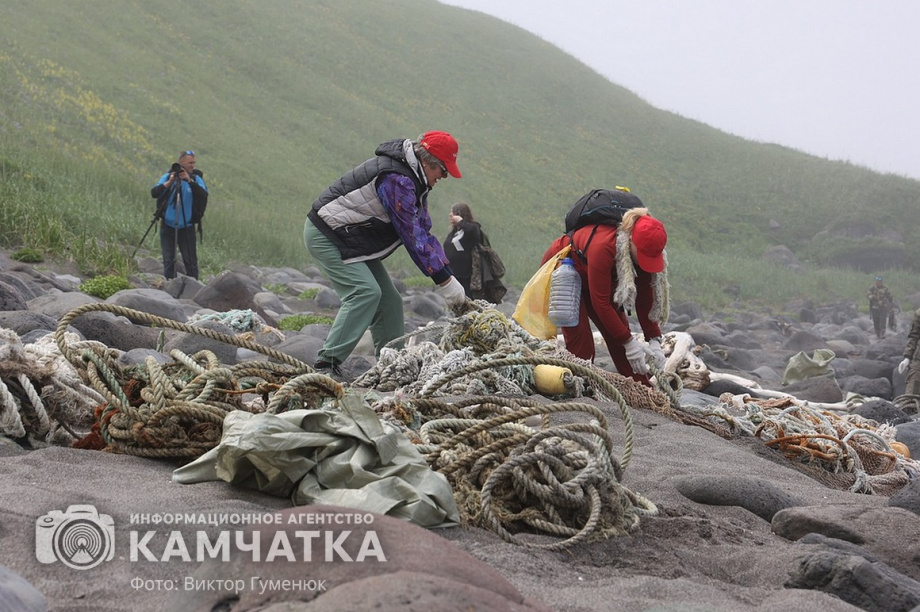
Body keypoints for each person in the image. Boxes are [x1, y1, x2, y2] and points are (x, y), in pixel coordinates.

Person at [305, 131, 467, 375]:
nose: (444, 177)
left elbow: (423, 230)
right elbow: (411, 234)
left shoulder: (416, 181)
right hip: (328, 234)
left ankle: (393, 365)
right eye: (443, 171)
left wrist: (449, 276)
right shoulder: (397, 180)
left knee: (389, 300)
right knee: (365, 292)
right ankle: (326, 363)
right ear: (428, 162)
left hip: (352, 239)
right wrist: (443, 280)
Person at [540, 206, 669, 386]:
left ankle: (642, 388)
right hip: (566, 270)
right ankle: (580, 386)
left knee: (620, 335)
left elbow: (645, 296)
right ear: (631, 240)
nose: (644, 261)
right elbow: (601, 303)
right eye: (642, 256)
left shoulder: (644, 248)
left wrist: (654, 338)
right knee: (582, 343)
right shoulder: (603, 246)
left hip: (598, 278)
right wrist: (630, 343)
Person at [150, 150, 208, 280]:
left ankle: (193, 287)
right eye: (190, 163)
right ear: (181, 163)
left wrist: (190, 181)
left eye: (194, 162)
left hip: (187, 227)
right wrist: (169, 183)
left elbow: (204, 195)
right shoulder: (168, 177)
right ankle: (169, 285)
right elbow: (154, 193)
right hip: (168, 225)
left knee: (190, 261)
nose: (193, 165)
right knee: (168, 259)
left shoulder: (196, 179)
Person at [442, 202, 483, 298]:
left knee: (467, 297)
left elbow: (474, 232)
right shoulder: (454, 232)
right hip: (453, 272)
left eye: (453, 212)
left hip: (467, 274)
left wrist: (461, 222)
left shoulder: (473, 228)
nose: (450, 215)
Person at [898, 308, 920, 412]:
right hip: (918, 360)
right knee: (910, 400)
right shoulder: (919, 313)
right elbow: (914, 336)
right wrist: (907, 357)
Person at [867, 275, 894, 339]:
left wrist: (891, 305)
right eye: (877, 281)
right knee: (876, 321)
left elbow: (890, 297)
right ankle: (877, 334)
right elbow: (868, 295)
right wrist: (872, 297)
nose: (878, 283)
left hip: (883, 307)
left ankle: (882, 333)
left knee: (883, 320)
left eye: (879, 281)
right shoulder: (872, 288)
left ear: (881, 282)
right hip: (874, 307)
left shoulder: (885, 288)